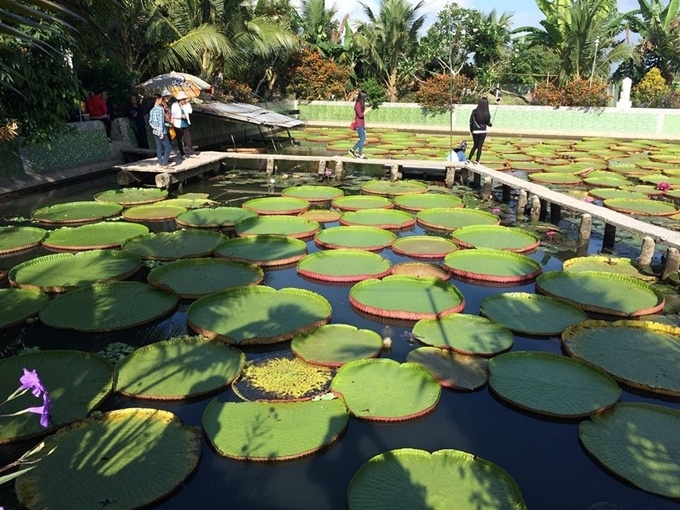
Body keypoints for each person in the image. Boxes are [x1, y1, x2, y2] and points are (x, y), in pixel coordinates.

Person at [148, 94, 174, 168]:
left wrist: (155, 128)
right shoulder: (160, 109)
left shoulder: (152, 110)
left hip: (155, 132)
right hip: (162, 131)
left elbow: (150, 122)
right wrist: (161, 133)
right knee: (168, 147)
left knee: (158, 148)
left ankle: (160, 163)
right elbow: (160, 122)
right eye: (160, 99)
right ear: (158, 100)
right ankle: (165, 163)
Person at [468, 97, 492, 164]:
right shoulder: (487, 113)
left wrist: (471, 131)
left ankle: (469, 159)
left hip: (475, 131)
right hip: (483, 131)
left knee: (475, 146)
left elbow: (471, 122)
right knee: (480, 147)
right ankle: (477, 161)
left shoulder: (474, 111)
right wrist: (490, 124)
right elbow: (488, 123)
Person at [348, 91, 367, 159]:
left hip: (361, 124)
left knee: (362, 139)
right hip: (358, 124)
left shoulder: (360, 104)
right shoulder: (358, 104)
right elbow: (360, 115)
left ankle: (352, 150)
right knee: (362, 139)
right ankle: (359, 154)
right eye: (365, 97)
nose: (365, 99)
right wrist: (366, 111)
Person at [171, 91, 189, 159]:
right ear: (180, 99)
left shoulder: (185, 105)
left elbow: (190, 111)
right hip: (178, 124)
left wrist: (187, 104)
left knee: (187, 138)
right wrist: (180, 116)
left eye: (185, 99)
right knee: (180, 139)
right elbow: (173, 114)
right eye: (183, 99)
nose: (184, 100)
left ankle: (188, 151)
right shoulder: (174, 105)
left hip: (185, 123)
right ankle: (182, 153)